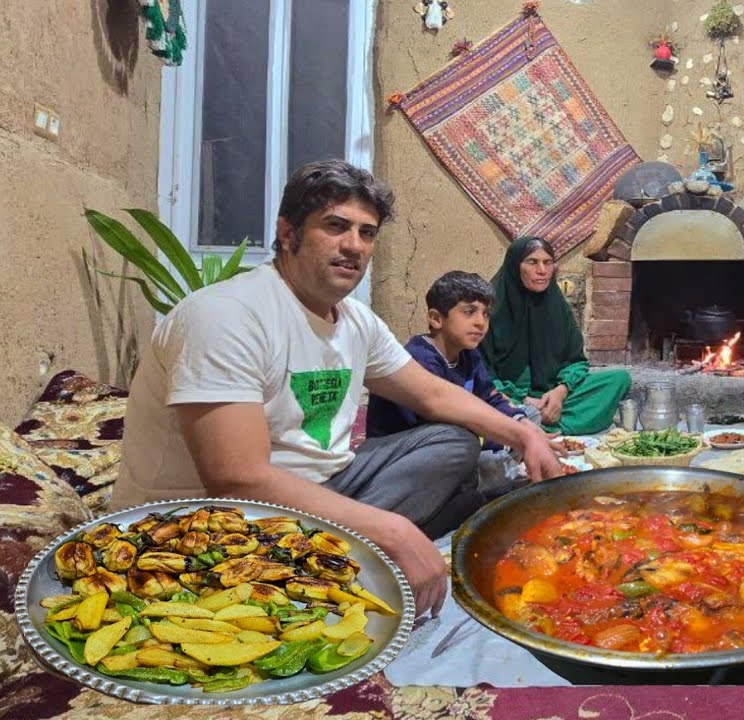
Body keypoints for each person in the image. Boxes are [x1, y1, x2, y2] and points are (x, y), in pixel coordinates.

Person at [112, 160, 561, 619]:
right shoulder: (227, 316)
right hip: (204, 526)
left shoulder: (355, 321)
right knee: (441, 508)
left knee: (453, 440)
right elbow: (237, 477)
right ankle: (334, 561)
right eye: (336, 226)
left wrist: (522, 432)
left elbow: (434, 396)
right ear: (288, 233)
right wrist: (392, 529)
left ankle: (340, 550)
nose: (354, 246)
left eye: (367, 233)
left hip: (322, 487)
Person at [366, 270, 540, 499]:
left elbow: (490, 397)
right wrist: (507, 438)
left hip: (463, 437)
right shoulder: (420, 359)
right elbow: (438, 428)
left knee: (530, 415)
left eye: (486, 314)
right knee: (474, 448)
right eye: (469, 312)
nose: (480, 323)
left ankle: (498, 468)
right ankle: (484, 477)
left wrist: (523, 425)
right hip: (408, 454)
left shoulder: (468, 354)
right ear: (436, 319)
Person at [481, 237, 631, 436]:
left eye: (548, 262)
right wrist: (524, 400)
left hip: (551, 393)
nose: (542, 270)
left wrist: (560, 392)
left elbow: (576, 361)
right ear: (515, 266)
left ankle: (533, 424)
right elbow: (481, 373)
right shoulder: (490, 310)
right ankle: (541, 423)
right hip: (507, 396)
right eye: (532, 262)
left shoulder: (557, 306)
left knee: (618, 379)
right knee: (483, 401)